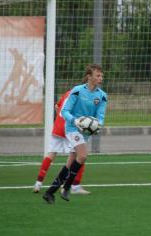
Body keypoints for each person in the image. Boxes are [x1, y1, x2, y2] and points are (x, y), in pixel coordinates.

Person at [42, 64, 107, 204]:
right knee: (83, 155)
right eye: (98, 75)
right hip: (72, 128)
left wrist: (97, 125)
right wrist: (75, 121)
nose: (101, 78)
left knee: (70, 163)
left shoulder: (102, 96)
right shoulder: (77, 91)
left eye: (102, 76)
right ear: (89, 77)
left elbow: (100, 116)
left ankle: (50, 192)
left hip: (85, 132)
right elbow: (64, 111)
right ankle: (67, 186)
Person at [33, 90, 89, 195]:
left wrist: (60, 118)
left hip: (58, 126)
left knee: (51, 154)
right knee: (80, 155)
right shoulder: (82, 95)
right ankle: (74, 186)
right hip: (70, 128)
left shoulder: (68, 92)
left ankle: (38, 183)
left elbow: (57, 107)